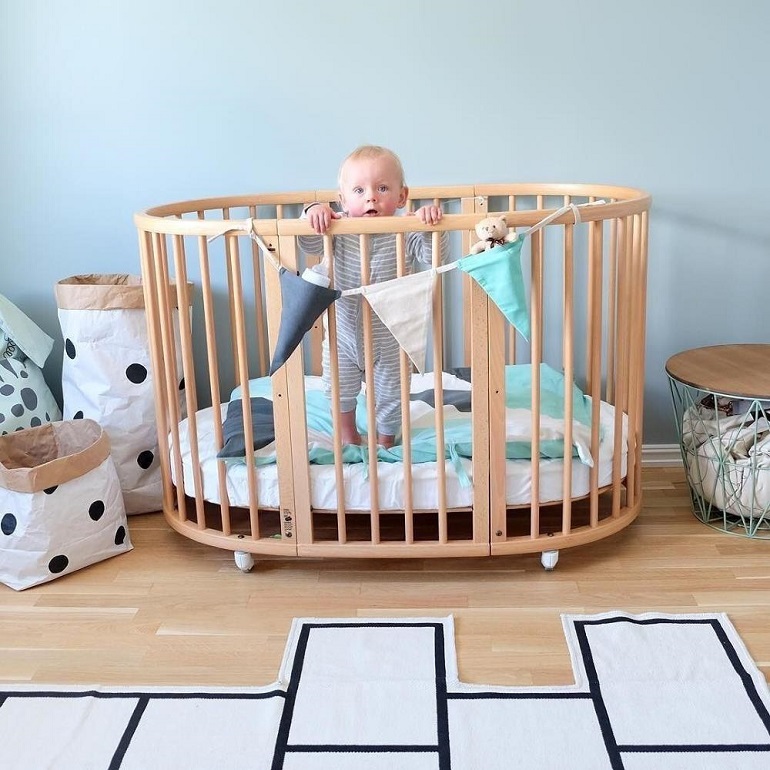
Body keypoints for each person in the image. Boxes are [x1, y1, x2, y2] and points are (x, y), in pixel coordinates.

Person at [299, 145, 447, 448]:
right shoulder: (337, 228)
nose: (371, 197)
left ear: (402, 196)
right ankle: (348, 435)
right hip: (343, 334)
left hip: (391, 334)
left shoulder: (405, 230)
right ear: (342, 199)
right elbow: (307, 244)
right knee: (339, 387)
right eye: (359, 189)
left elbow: (435, 258)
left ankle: (385, 439)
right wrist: (312, 212)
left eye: (382, 188)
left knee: (392, 391)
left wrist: (432, 226)